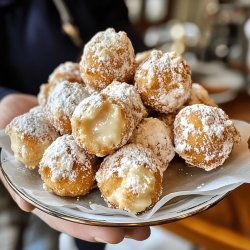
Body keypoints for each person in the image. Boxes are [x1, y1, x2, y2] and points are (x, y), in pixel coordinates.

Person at [0, 1, 150, 249]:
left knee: (95, 232)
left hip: (95, 155)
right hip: (27, 129)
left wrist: (144, 63)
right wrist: (3, 99)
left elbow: (122, 28)